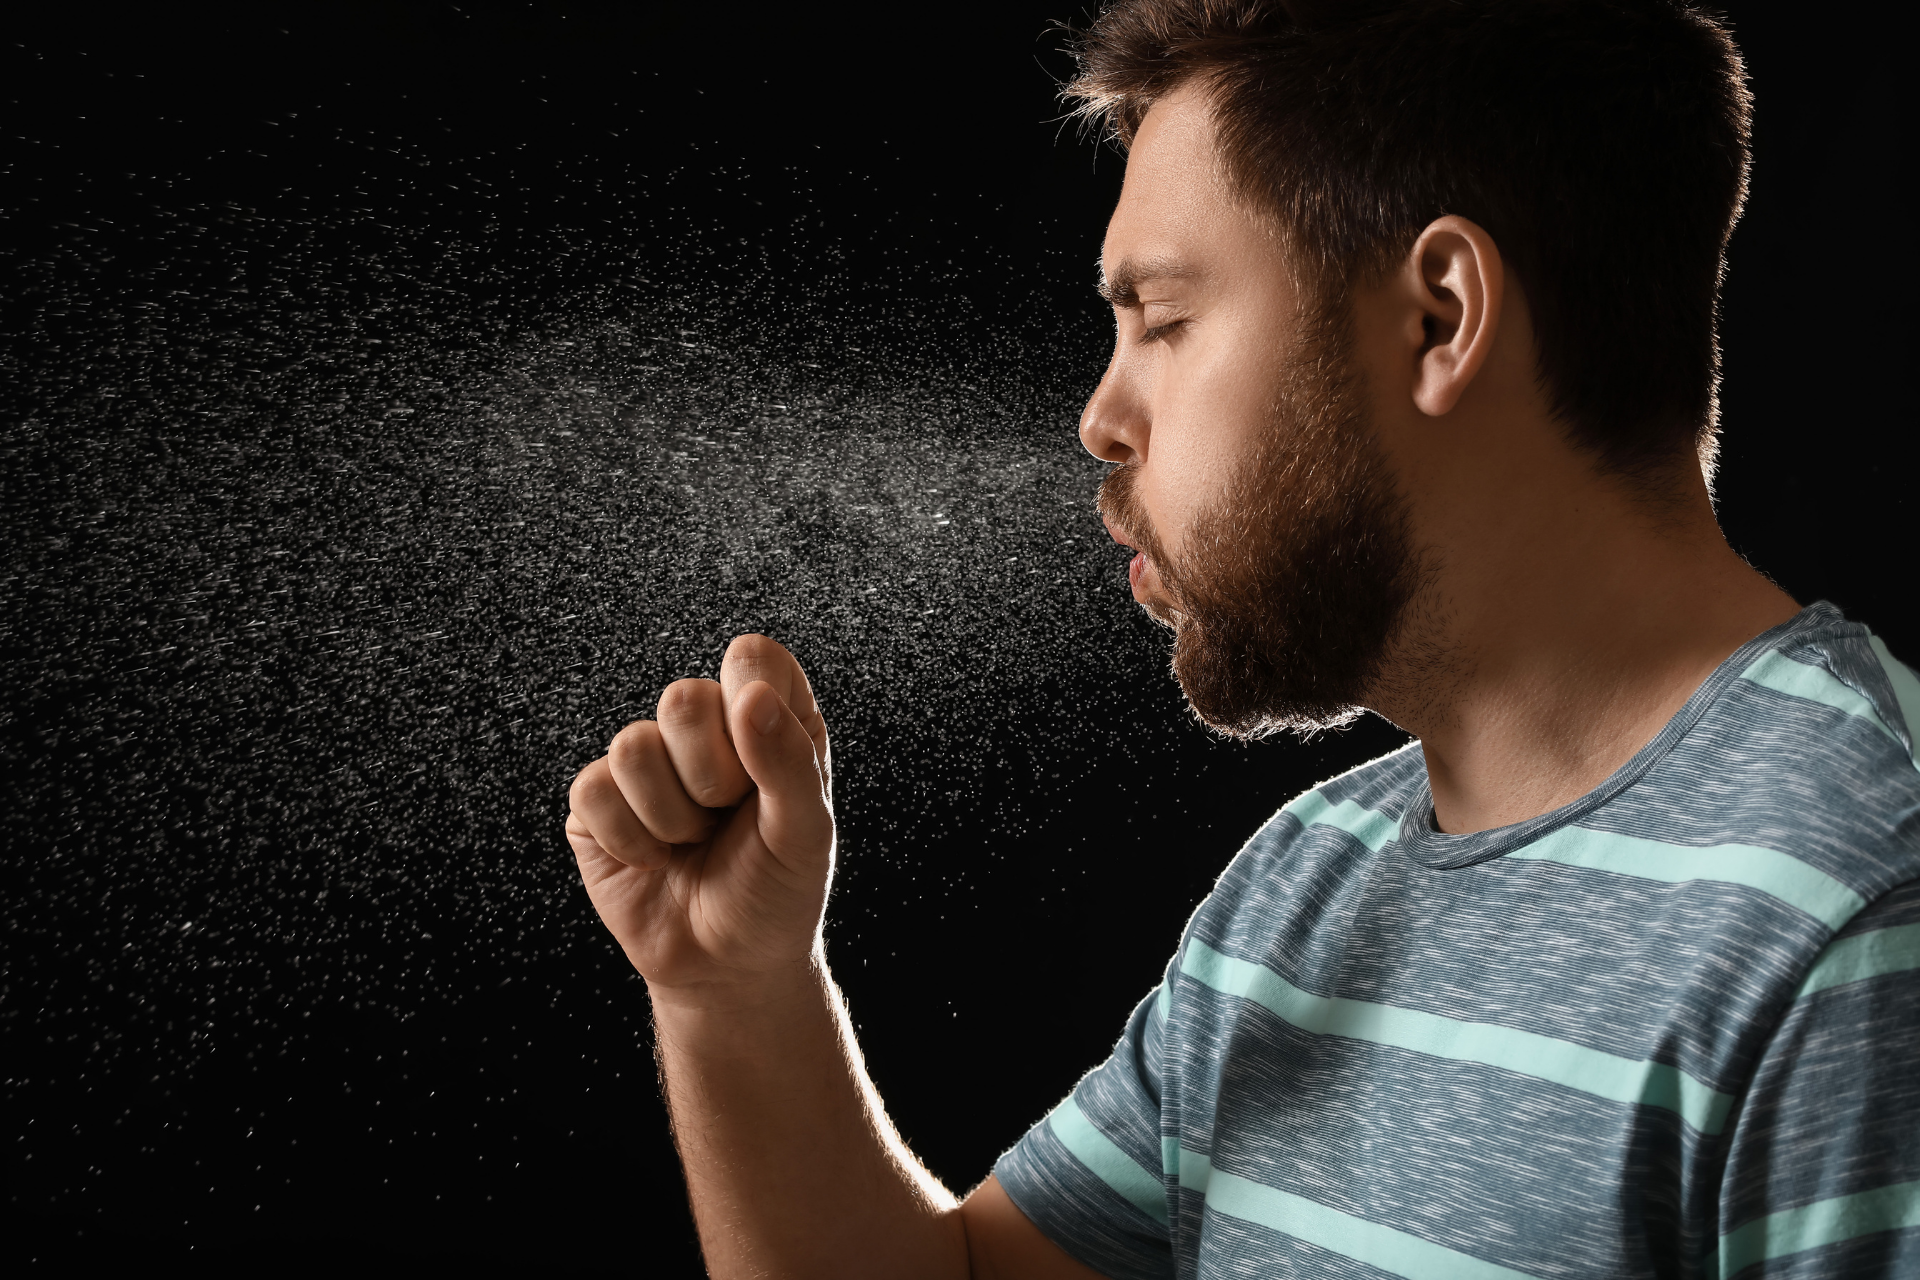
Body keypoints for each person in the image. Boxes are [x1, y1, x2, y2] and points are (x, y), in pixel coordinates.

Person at [562, 0, 1920, 1275]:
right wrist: (735, 994)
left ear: (1439, 318)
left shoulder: (1856, 903)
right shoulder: (1306, 890)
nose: (1101, 416)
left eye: (1162, 320)